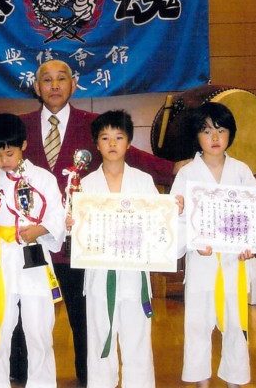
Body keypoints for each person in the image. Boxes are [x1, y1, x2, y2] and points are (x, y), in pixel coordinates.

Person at [0, 59, 185, 385]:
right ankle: (17, 377)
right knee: (20, 323)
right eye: (46, 80)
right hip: (26, 250)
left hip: (77, 244)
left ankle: (88, 379)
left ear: (73, 84)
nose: (53, 85)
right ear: (36, 87)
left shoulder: (95, 126)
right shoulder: (17, 128)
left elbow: (131, 157)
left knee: (86, 321)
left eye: (61, 78)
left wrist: (173, 170)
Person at [67, 110, 182, 388]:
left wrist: (171, 210)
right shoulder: (85, 184)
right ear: (96, 144)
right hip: (99, 276)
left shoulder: (143, 180)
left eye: (119, 137)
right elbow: (78, 232)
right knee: (99, 340)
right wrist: (72, 223)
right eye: (105, 138)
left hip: (134, 276)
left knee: (137, 341)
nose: (112, 143)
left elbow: (157, 223)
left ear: (129, 142)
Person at [0, 113, 66, 388]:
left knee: (39, 329)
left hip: (32, 258)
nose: (4, 160)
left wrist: (40, 229)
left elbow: (57, 215)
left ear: (24, 145)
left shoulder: (43, 179)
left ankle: (42, 384)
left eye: (10, 152)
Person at [170, 102, 256, 387]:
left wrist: (250, 244)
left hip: (234, 264)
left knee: (235, 326)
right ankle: (201, 383)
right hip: (202, 264)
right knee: (197, 326)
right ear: (197, 136)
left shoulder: (242, 171)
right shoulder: (186, 174)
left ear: (231, 134)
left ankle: (236, 381)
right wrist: (192, 239)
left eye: (221, 130)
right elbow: (175, 222)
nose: (215, 138)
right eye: (207, 131)